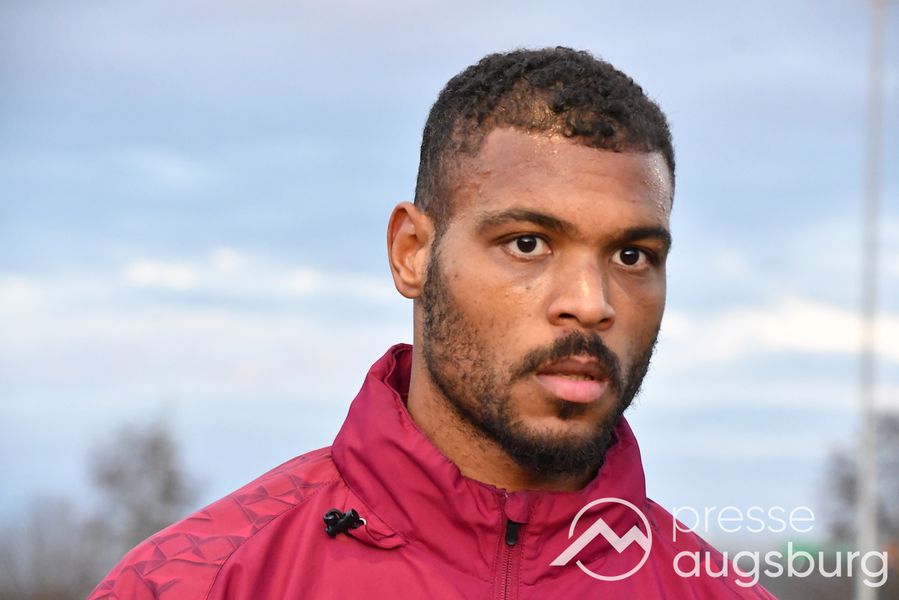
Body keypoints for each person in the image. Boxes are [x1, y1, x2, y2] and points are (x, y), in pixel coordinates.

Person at [90, 47, 774, 599]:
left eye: (631, 255)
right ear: (412, 253)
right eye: (528, 243)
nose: (591, 303)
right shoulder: (197, 584)